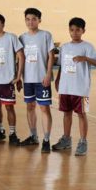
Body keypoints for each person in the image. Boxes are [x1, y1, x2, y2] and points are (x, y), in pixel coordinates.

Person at [53, 17, 96, 156]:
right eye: (72, 30)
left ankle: (83, 142)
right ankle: (66, 139)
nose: (74, 33)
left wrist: (85, 58)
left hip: (80, 89)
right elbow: (62, 66)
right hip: (65, 87)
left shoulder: (88, 47)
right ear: (69, 30)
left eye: (78, 30)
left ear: (83, 31)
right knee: (66, 113)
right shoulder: (65, 47)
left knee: (81, 114)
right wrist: (57, 80)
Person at [0, 13, 24, 145]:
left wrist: (18, 76)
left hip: (7, 80)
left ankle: (12, 133)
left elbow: (21, 56)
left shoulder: (11, 37)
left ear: (3, 24)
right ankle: (0, 130)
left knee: (9, 107)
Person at [18, 8, 55, 152]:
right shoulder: (22, 37)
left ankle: (46, 139)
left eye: (33, 19)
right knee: (30, 107)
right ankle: (33, 136)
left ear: (39, 20)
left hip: (41, 79)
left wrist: (48, 74)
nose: (30, 22)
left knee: (44, 108)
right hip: (28, 79)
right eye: (27, 19)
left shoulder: (45, 35)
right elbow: (20, 59)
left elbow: (51, 56)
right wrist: (19, 77)